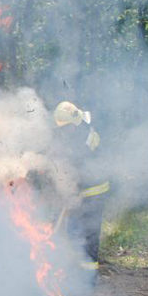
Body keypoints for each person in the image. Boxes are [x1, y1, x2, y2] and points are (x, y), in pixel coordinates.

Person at [52, 101, 109, 272]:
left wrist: (71, 193)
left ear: (72, 125)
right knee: (78, 233)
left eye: (65, 126)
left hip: (91, 192)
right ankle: (79, 274)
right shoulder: (83, 128)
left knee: (83, 236)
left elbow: (77, 171)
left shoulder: (81, 140)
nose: (63, 130)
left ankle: (86, 280)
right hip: (92, 190)